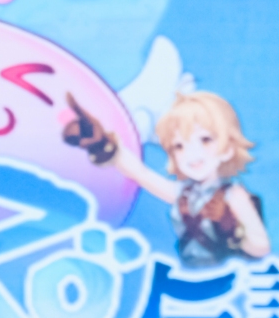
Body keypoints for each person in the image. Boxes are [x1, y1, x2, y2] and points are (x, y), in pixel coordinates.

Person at [64, 90, 269, 268]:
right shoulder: (184, 194)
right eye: (180, 146)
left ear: (228, 149)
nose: (192, 153)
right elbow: (141, 174)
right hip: (191, 277)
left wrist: (233, 231)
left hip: (227, 278)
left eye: (205, 140)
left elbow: (261, 246)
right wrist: (102, 144)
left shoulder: (234, 195)